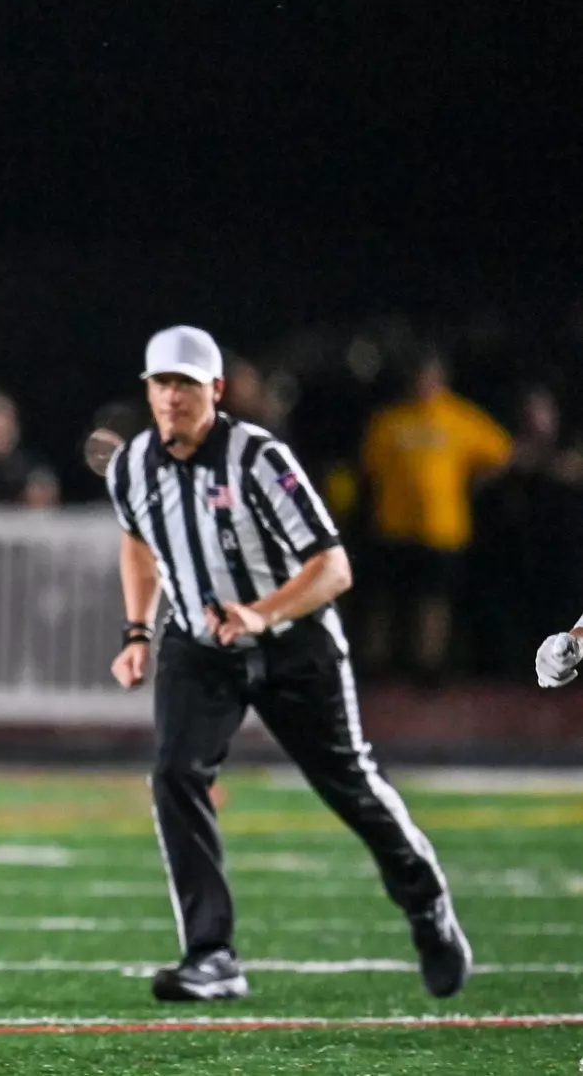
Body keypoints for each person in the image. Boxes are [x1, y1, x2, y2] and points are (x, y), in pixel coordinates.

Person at [105, 326, 470, 1003]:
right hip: (200, 643)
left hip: (292, 642)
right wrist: (136, 630)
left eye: (187, 383)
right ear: (148, 390)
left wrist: (262, 613)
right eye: (162, 383)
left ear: (215, 390)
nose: (173, 396)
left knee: (351, 786)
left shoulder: (257, 458)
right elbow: (138, 541)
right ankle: (212, 954)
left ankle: (427, 903)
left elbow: (334, 566)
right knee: (175, 775)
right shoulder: (131, 465)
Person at [358, 353, 511, 683]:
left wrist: (473, 482)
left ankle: (427, 666)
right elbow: (370, 466)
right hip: (394, 525)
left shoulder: (458, 417)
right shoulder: (390, 420)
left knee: (433, 600)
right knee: (386, 600)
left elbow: (500, 452)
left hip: (442, 528)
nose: (425, 384)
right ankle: (378, 665)